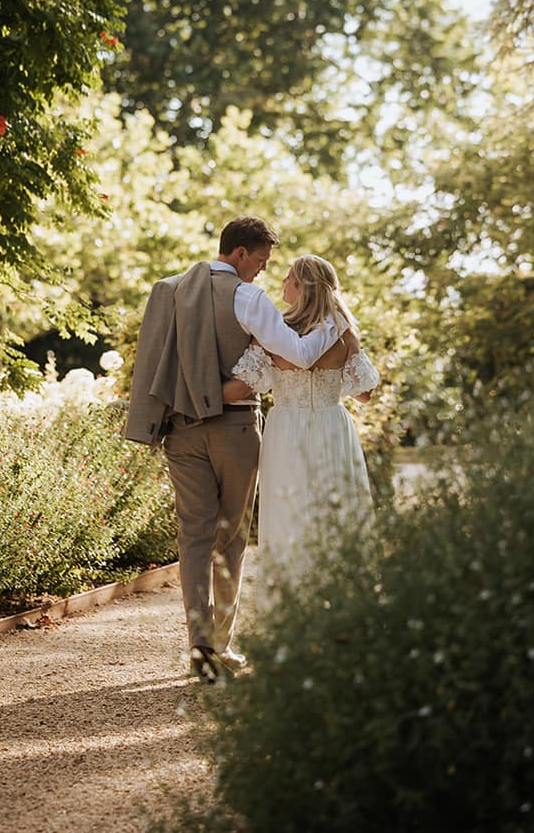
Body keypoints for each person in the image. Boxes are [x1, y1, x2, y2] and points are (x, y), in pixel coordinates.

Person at [124, 216, 339, 683]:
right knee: (231, 538)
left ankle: (199, 646)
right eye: (261, 261)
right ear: (240, 253)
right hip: (236, 430)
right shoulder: (247, 297)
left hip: (181, 430)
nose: (263, 271)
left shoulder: (173, 290)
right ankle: (222, 643)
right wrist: (335, 325)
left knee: (193, 538)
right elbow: (299, 355)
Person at [223, 253, 379, 602]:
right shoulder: (343, 332)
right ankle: (342, 601)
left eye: (288, 278)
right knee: (334, 510)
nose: (282, 283)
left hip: (286, 430)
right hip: (330, 425)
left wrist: (198, 398)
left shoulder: (270, 332)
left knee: (288, 513)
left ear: (302, 286)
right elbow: (365, 393)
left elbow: (245, 384)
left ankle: (290, 605)